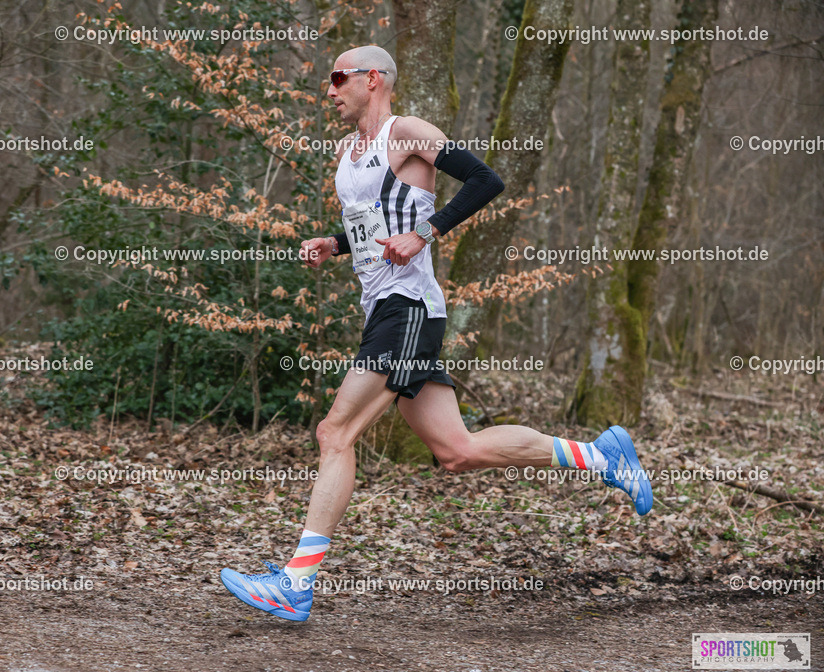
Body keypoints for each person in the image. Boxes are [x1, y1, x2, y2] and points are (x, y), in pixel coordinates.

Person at [220, 45, 652, 622]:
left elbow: (485, 179)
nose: (330, 90)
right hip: (386, 311)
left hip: (409, 308)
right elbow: (377, 223)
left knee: (335, 433)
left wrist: (426, 233)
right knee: (457, 451)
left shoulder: (408, 133)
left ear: (373, 79)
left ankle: (296, 583)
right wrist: (335, 243)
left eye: (339, 78)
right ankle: (599, 457)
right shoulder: (347, 151)